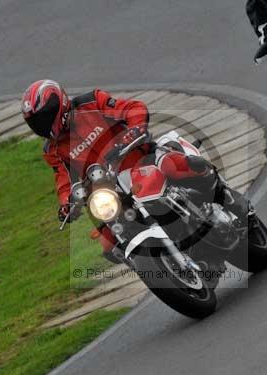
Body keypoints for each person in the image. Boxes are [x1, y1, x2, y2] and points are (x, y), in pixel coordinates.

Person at [20, 80, 223, 261]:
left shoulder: (91, 102)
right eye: (36, 122)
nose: (43, 124)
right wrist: (67, 203)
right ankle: (156, 263)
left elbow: (132, 108)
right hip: (109, 190)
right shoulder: (52, 149)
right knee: (109, 245)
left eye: (45, 116)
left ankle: (219, 191)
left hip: (138, 159)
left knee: (176, 168)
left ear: (59, 104)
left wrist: (135, 128)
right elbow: (63, 179)